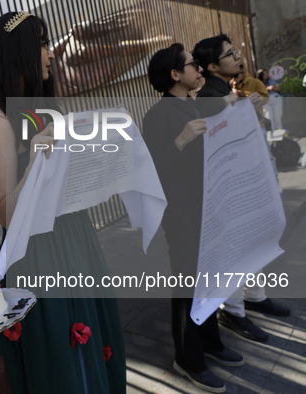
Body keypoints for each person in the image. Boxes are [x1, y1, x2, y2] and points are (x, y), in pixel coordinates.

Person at [0, 11, 126, 393]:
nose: (51, 53)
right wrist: (38, 162)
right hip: (40, 252)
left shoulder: (47, 110)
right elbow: (8, 214)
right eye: (43, 43)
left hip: (78, 238)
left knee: (91, 344)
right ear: (20, 52)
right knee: (62, 358)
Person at [143, 43, 244, 393]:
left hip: (208, 210)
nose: (199, 69)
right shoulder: (158, 115)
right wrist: (181, 142)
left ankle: (211, 344)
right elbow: (152, 174)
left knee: (210, 282)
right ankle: (188, 359)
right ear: (175, 74)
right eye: (192, 65)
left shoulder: (193, 105)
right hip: (183, 216)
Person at [193, 35, 290, 344]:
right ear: (211, 66)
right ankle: (234, 310)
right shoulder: (210, 96)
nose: (237, 56)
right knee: (235, 244)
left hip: (249, 180)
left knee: (255, 235)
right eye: (230, 53)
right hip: (231, 189)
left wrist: (250, 105)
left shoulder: (229, 90)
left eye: (235, 51)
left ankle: (254, 296)